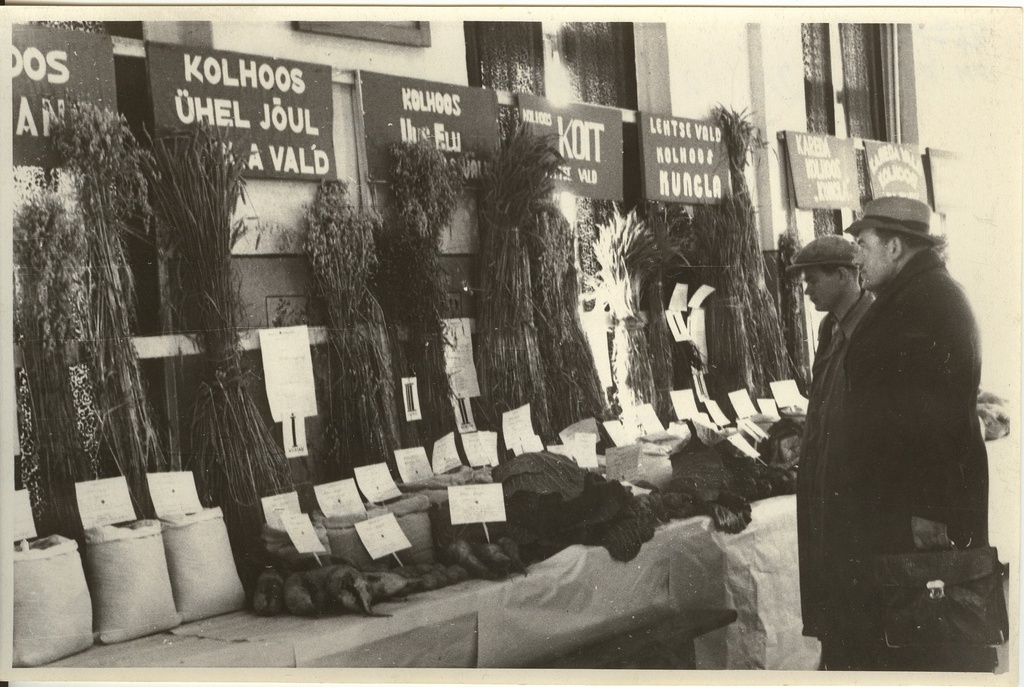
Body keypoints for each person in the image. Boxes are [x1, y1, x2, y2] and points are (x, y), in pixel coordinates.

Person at [819, 196, 995, 671]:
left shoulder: (927, 302)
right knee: (906, 637)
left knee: (920, 639)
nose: (856, 256)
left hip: (914, 514)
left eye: (864, 244)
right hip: (900, 507)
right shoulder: (915, 296)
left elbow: (941, 421)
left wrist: (930, 511)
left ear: (895, 246)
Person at [785, 235, 874, 655]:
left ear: (844, 274)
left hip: (854, 484)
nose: (806, 289)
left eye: (812, 279)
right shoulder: (828, 326)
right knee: (829, 594)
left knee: (859, 604)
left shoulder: (875, 326)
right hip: (822, 475)